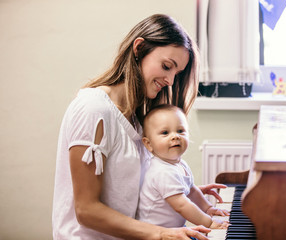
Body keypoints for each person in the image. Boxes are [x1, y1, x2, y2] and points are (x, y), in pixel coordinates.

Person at [52, 14, 227, 240]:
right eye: (166, 66)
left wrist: (176, 188)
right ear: (139, 48)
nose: (171, 81)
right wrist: (162, 233)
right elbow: (87, 210)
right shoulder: (94, 109)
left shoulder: (134, 118)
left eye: (177, 73)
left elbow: (124, 187)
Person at [138, 104, 230, 229]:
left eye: (180, 131)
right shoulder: (162, 171)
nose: (175, 136)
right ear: (148, 144)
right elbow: (182, 205)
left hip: (172, 231)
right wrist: (209, 223)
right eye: (165, 133)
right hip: (154, 234)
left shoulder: (180, 164)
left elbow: (191, 190)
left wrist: (208, 208)